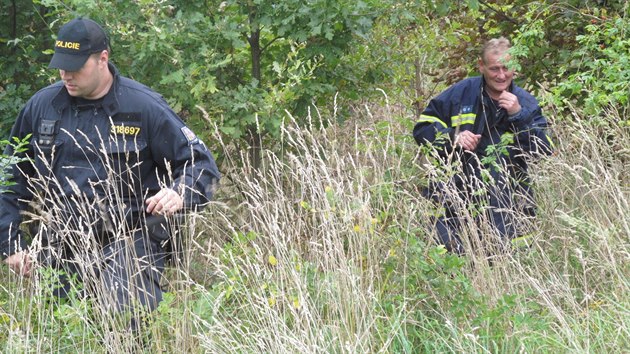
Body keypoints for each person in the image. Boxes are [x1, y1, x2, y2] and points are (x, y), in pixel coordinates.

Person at [0, 18, 220, 315]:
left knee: (123, 320)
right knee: (67, 332)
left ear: (103, 58)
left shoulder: (143, 107)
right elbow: (11, 177)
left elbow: (200, 163)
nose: (65, 73)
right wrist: (10, 242)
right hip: (62, 244)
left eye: (75, 66)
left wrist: (180, 192)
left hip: (131, 239)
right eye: (61, 65)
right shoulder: (42, 107)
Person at [413, 37, 553, 254]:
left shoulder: (525, 102)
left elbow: (542, 149)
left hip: (509, 203)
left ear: (515, 68)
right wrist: (453, 137)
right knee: (453, 265)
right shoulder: (461, 93)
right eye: (494, 68)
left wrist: (518, 115)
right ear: (481, 66)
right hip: (455, 199)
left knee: (504, 266)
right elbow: (422, 128)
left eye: (506, 68)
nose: (501, 75)